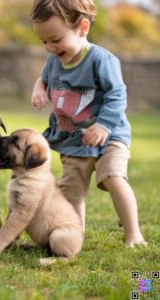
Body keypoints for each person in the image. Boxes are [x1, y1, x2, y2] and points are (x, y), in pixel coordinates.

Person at [30, 0, 146, 247]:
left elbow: (117, 95)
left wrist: (103, 125)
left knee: (113, 177)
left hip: (109, 136)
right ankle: (74, 237)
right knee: (70, 193)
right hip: (74, 140)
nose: (50, 47)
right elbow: (44, 78)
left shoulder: (101, 60)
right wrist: (39, 88)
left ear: (82, 27)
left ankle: (133, 234)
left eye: (55, 39)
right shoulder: (54, 60)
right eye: (44, 42)